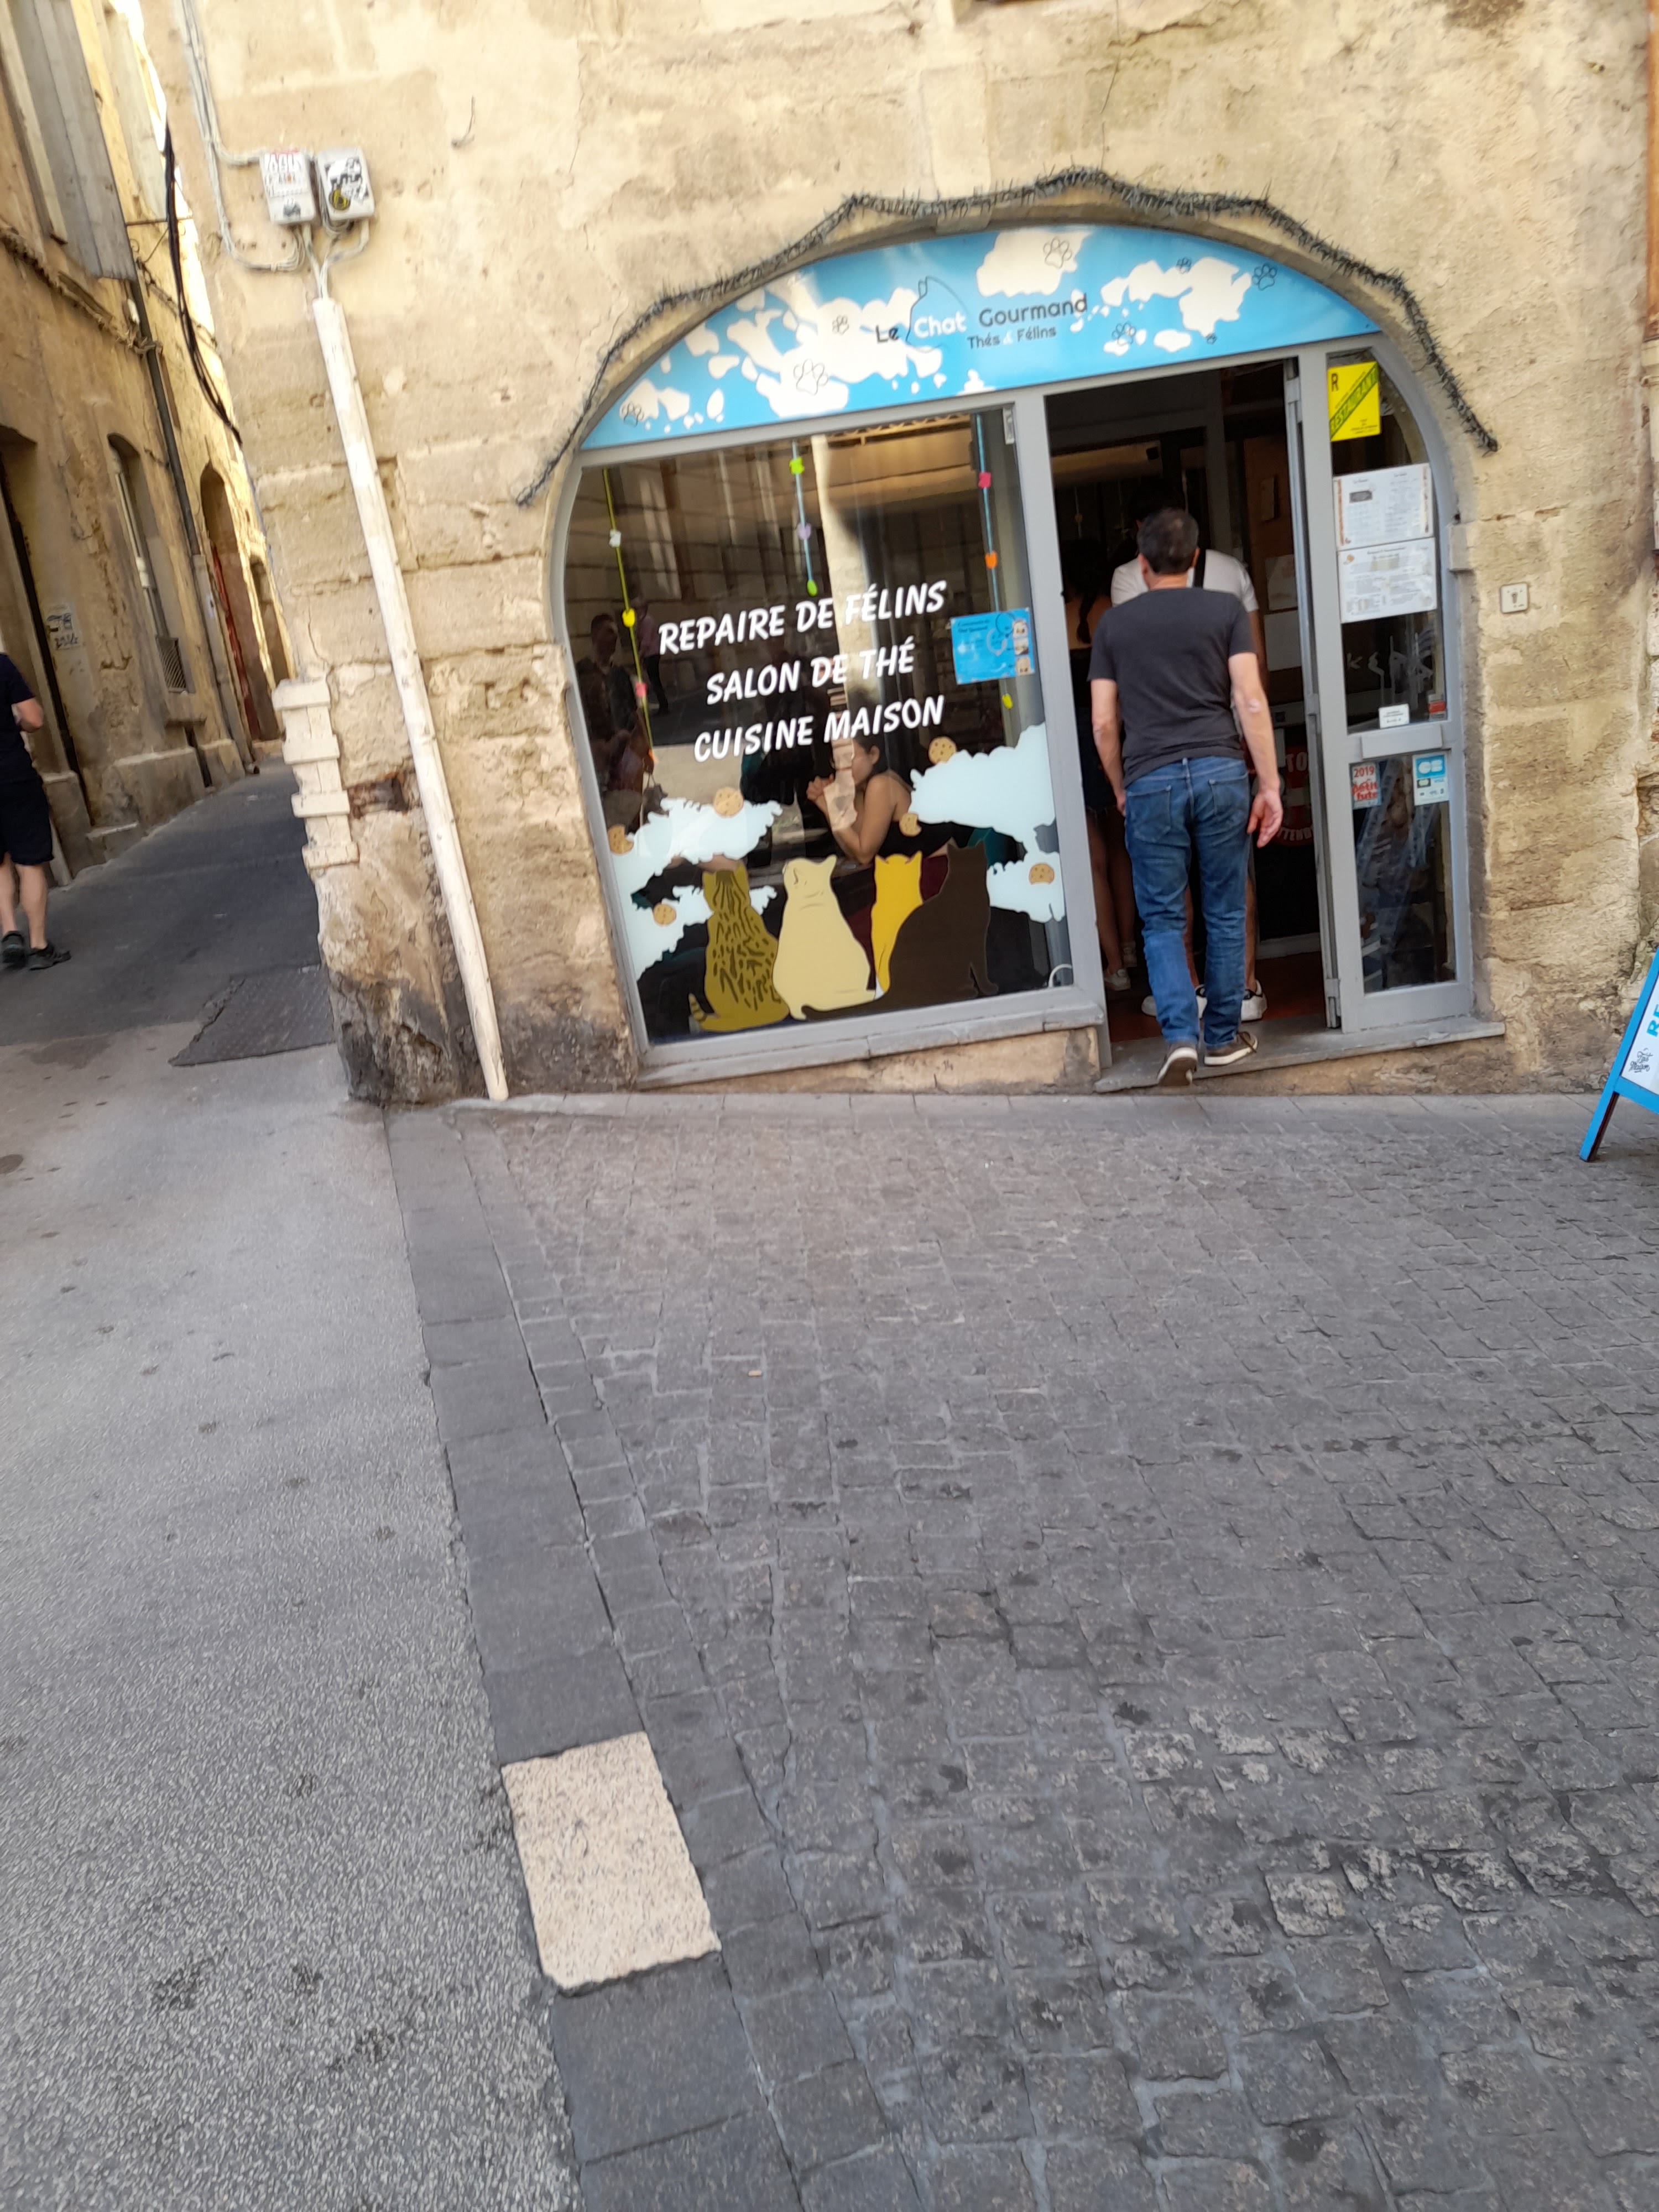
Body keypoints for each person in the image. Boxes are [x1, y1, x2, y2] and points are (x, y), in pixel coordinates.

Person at [1091, 508, 1281, 1087]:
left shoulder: (1114, 627)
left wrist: (1120, 785)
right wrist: (1269, 784)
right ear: (1196, 559)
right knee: (1225, 910)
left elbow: (1104, 722)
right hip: (1222, 771)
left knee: (1161, 919)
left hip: (1151, 778)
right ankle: (1220, 1037)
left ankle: (1180, 1038)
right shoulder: (1224, 611)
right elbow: (1250, 699)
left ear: (1142, 564)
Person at [1061, 541, 1136, 993]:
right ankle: (1128, 946)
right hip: (1119, 730)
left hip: (1072, 739)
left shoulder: (1057, 619)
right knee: (1123, 849)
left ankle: (1113, 966)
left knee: (1093, 860)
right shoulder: (1117, 610)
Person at [0, 653, 69, 971]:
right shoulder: (2, 666)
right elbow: (34, 719)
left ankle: (10, 932)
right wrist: (18, 724)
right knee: (28, 862)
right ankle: (39, 946)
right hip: (12, 776)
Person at [576, 612, 652, 829]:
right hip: (599, 758)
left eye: (616, 634)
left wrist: (647, 751)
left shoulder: (621, 675)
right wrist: (602, 747)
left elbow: (636, 714)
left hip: (627, 756)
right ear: (595, 636)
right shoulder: (582, 674)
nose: (614, 639)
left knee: (632, 811)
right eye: (609, 632)